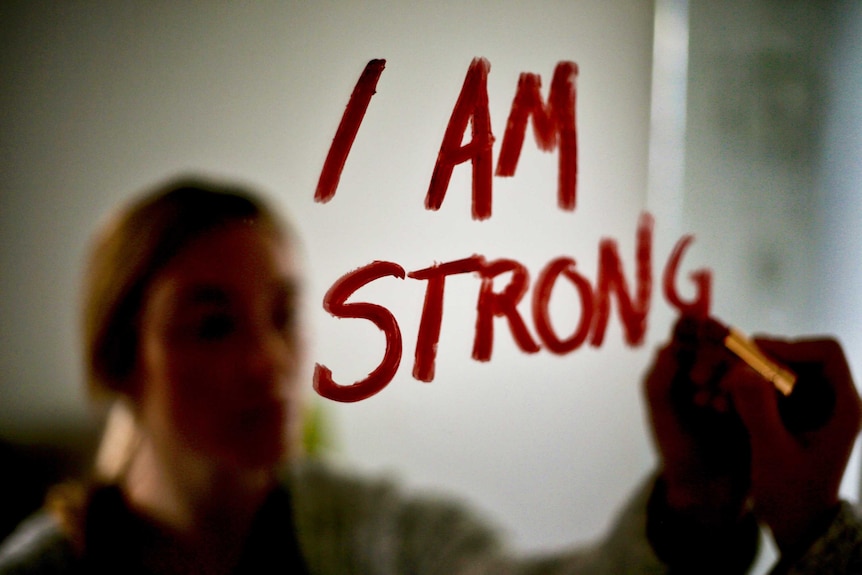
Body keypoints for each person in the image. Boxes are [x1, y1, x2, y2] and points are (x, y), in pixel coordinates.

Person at [0, 176, 860, 574]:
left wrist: (693, 500)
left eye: (287, 312)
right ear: (119, 360)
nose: (269, 358)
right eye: (213, 322)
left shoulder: (375, 531)